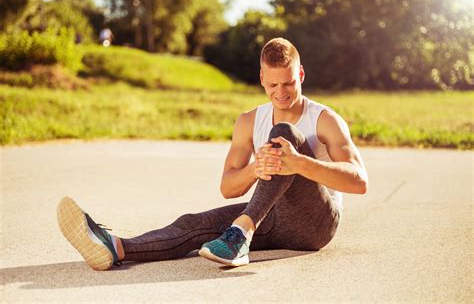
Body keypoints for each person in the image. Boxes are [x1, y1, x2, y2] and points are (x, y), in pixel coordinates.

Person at [57, 37, 368, 270]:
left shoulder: (325, 119)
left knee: (284, 135)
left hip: (317, 223)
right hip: (273, 218)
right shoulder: (248, 121)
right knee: (194, 224)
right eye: (272, 84)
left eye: (288, 83)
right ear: (261, 78)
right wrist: (254, 168)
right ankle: (115, 248)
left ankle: (241, 232)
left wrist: (300, 163)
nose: (281, 92)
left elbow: (359, 182)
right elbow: (228, 187)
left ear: (300, 75)